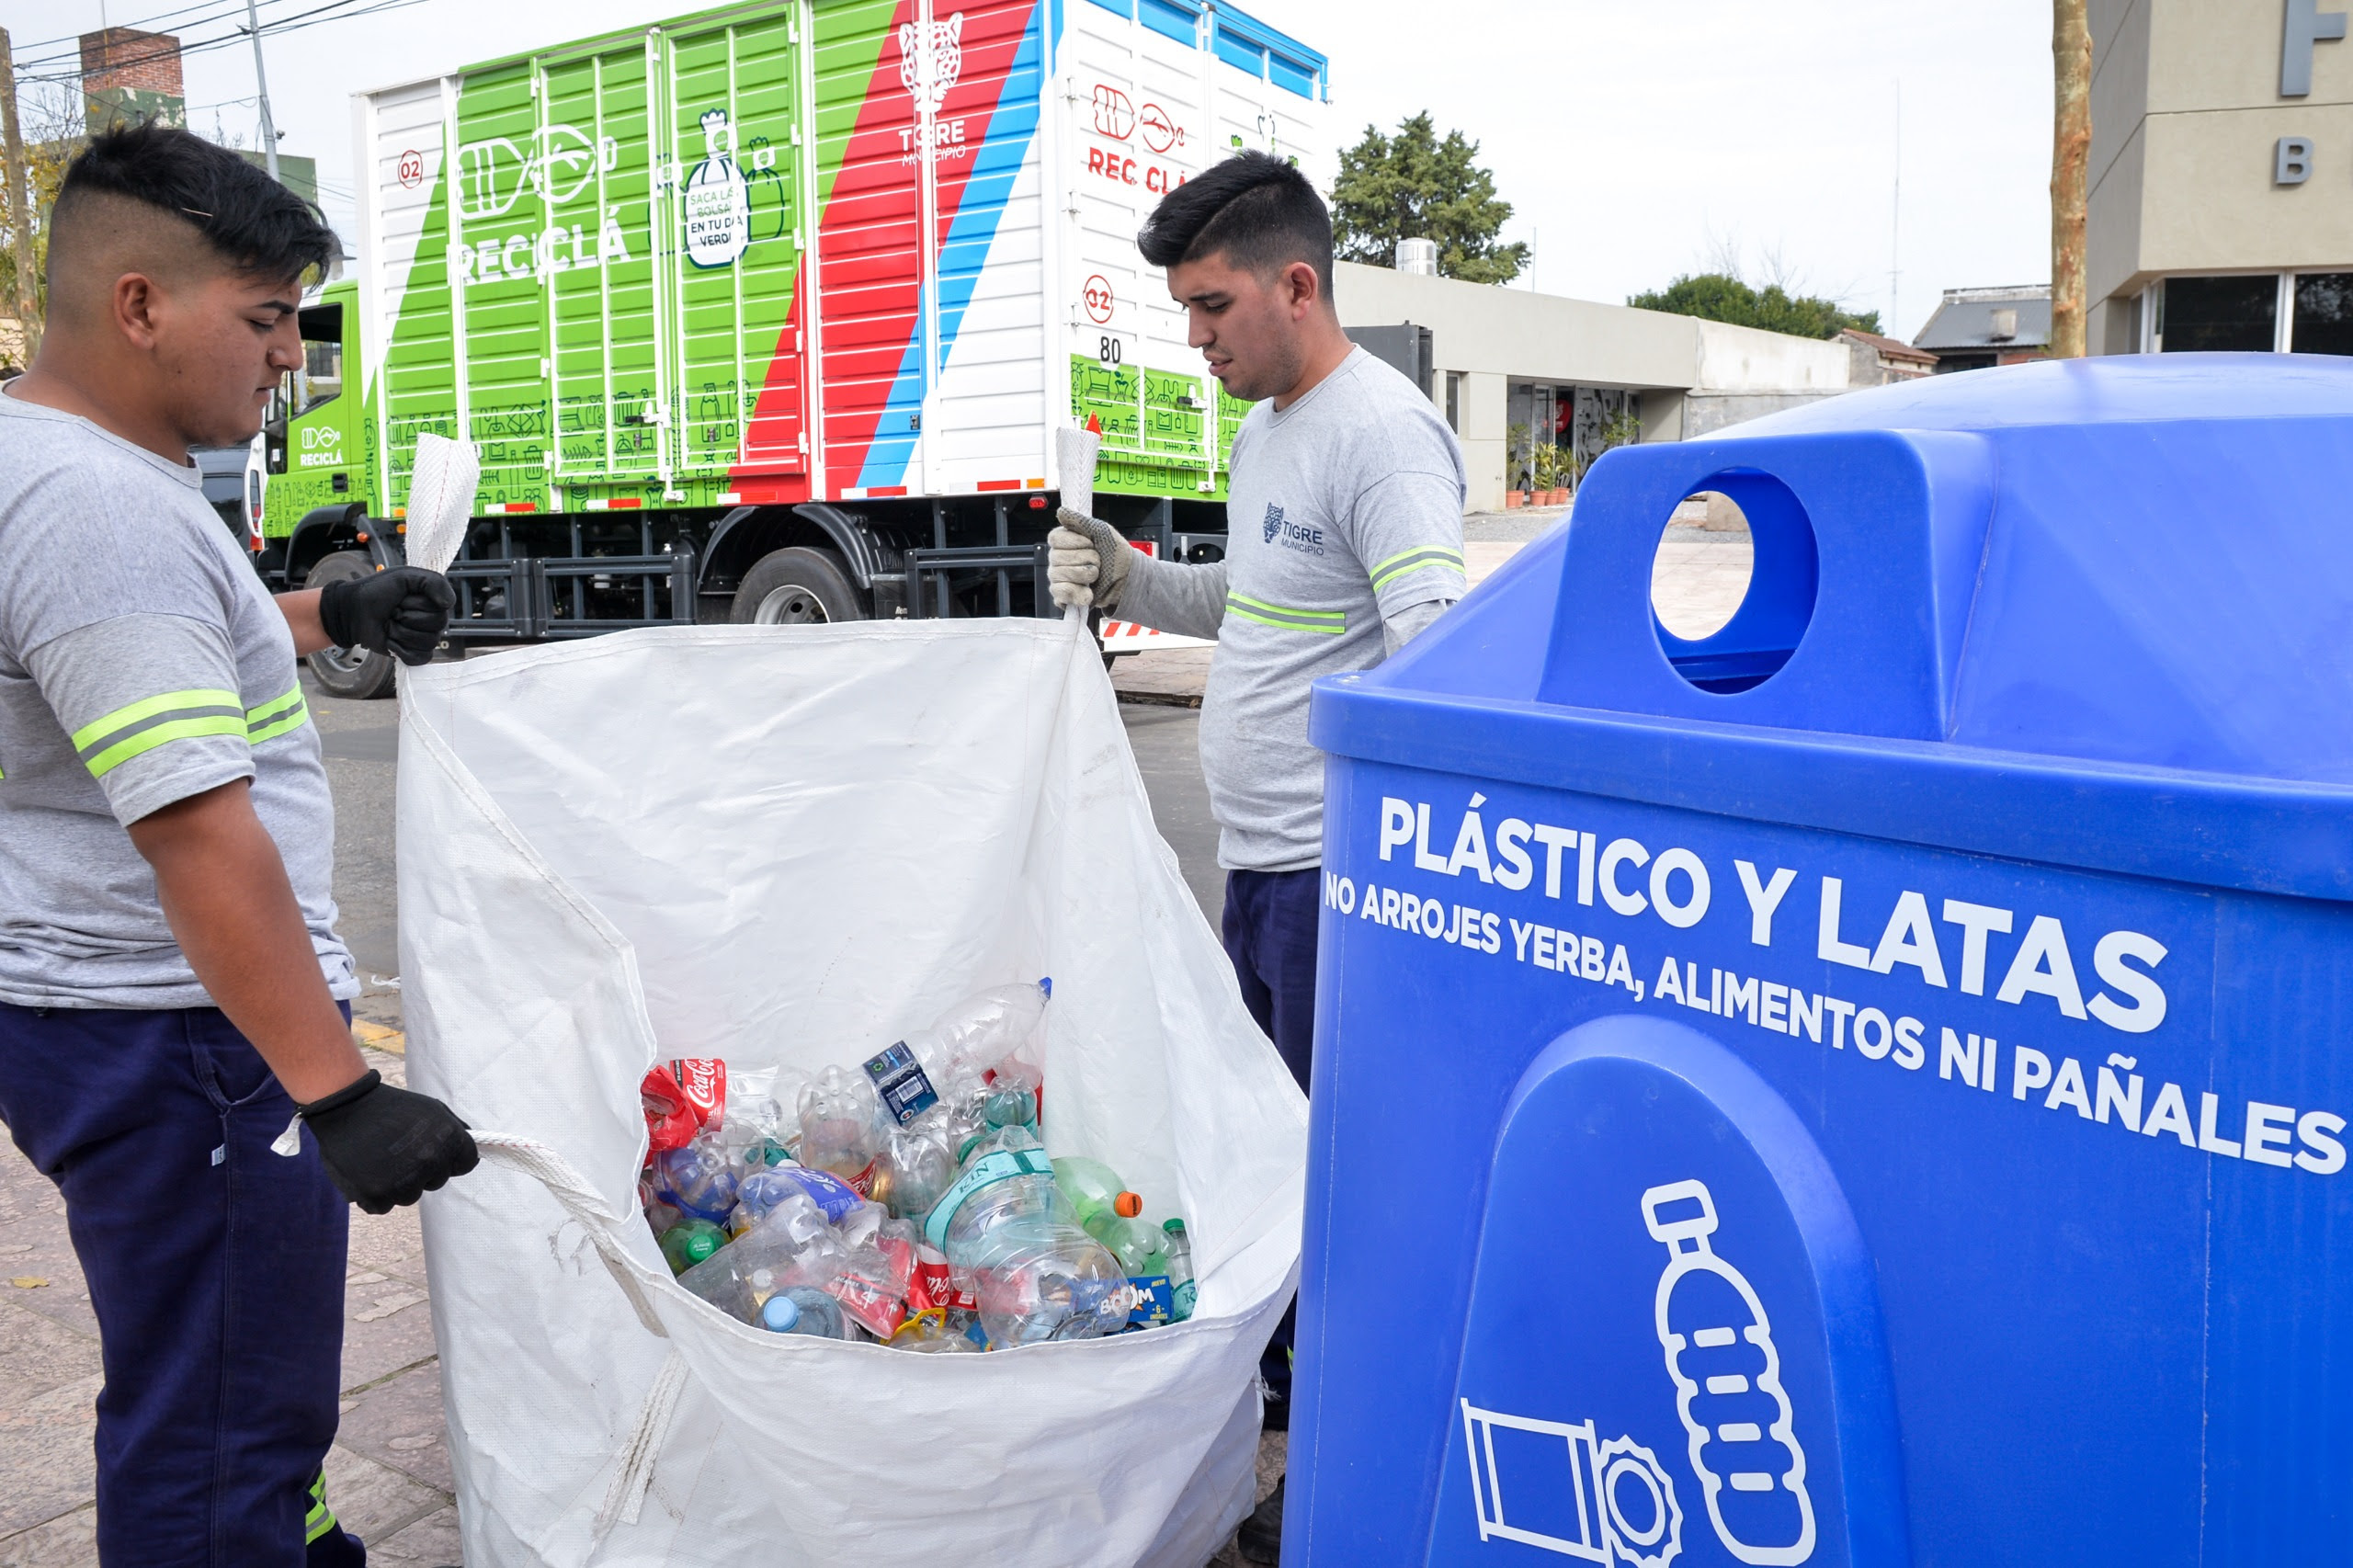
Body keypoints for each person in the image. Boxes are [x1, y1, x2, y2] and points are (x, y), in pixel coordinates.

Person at [0, 123, 477, 1566]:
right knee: (221, 1419)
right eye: (265, 319)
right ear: (140, 304)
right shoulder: (97, 506)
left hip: (114, 1016)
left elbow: (134, 663)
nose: (289, 357)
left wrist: (328, 617)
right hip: (188, 1036)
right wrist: (334, 1093)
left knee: (215, 1379)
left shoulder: (55, 461)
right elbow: (199, 833)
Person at [1048, 151, 1468, 1562]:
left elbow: (1433, 663)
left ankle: (1345, 1469)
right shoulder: (1273, 427)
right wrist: (1124, 572)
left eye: (1214, 303)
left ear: (1298, 282)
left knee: (1344, 1186)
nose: (1198, 334)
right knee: (1274, 1161)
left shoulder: (1384, 436)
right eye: (1183, 309)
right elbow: (1257, 595)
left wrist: (1394, 884)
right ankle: (1287, 1392)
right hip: (1266, 874)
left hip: (1339, 889)